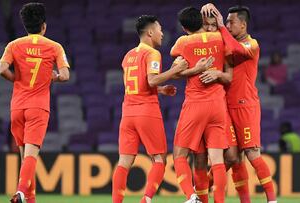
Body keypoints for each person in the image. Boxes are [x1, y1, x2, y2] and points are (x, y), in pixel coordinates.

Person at [111, 15, 213, 203]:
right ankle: (146, 200)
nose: (162, 33)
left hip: (127, 114)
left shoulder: (128, 56)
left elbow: (138, 85)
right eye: (159, 29)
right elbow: (151, 79)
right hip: (147, 112)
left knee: (124, 162)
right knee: (159, 160)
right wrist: (176, 69)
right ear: (150, 32)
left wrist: (160, 90)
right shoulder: (152, 54)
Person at [201, 4, 277, 203]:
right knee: (233, 158)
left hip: (245, 105)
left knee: (252, 153)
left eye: (230, 22)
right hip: (225, 107)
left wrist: (221, 28)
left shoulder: (252, 45)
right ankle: (201, 194)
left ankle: (272, 200)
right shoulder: (226, 41)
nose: (226, 24)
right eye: (225, 21)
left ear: (243, 25)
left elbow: (235, 49)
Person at [0, 3, 70, 203]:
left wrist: (15, 79)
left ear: (25, 26)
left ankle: (29, 199)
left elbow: (1, 69)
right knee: (31, 155)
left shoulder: (14, 45)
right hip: (38, 107)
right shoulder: (54, 46)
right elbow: (65, 75)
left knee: (25, 160)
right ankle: (21, 192)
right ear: (44, 26)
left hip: (17, 106)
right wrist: (52, 77)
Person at [170, 7, 231, 203]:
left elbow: (175, 61)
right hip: (218, 104)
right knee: (217, 160)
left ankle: (191, 196)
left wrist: (193, 66)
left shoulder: (183, 42)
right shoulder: (220, 38)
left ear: (183, 27)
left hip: (196, 104)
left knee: (179, 155)